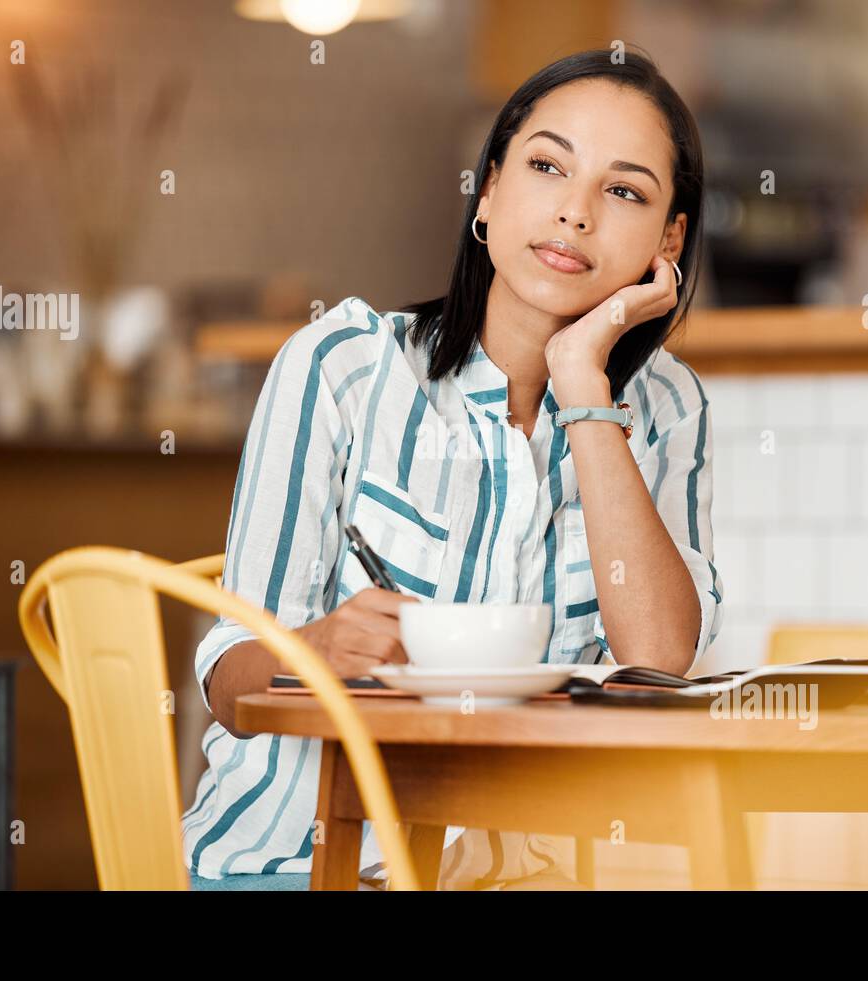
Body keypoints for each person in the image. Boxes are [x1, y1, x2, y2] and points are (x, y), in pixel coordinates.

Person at [185, 45, 722, 891]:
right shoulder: (343, 367)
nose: (576, 213)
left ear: (670, 240)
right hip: (298, 864)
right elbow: (227, 674)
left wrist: (583, 385)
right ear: (491, 188)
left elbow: (657, 657)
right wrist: (316, 649)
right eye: (548, 166)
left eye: (624, 191)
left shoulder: (667, 409)